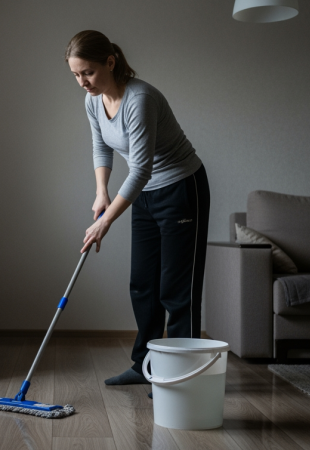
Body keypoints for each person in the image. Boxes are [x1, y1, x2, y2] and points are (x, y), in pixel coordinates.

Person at [67, 30, 211, 389]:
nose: (82, 82)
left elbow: (142, 169)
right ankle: (145, 365)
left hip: (181, 188)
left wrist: (105, 223)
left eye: (88, 72)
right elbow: (101, 148)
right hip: (143, 194)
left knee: (177, 289)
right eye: (75, 75)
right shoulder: (93, 101)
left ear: (110, 62)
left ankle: (180, 375)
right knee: (143, 284)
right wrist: (101, 191)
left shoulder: (140, 98)